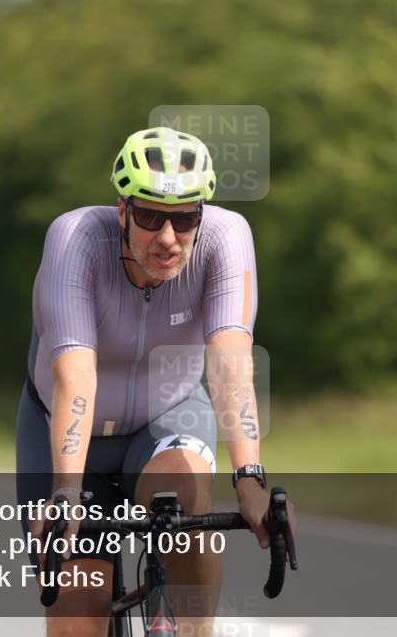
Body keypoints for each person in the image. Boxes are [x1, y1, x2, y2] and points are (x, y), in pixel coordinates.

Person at [16, 127, 296, 636]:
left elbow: (230, 361)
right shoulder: (75, 239)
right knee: (79, 614)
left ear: (201, 215)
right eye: (149, 216)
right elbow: (76, 375)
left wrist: (250, 477)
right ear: (122, 210)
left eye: (185, 218)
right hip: (67, 435)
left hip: (166, 416)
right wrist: (65, 494)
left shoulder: (226, 238)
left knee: (186, 502)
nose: (167, 238)